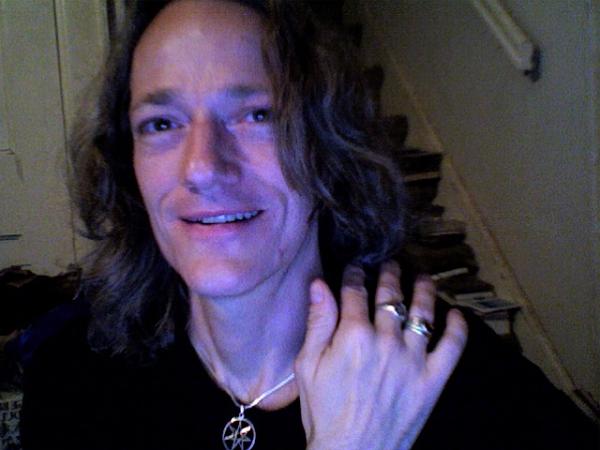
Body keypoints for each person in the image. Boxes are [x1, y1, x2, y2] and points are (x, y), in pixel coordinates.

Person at [20, 1, 597, 449]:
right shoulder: (72, 383)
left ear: (326, 146)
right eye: (161, 123)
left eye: (257, 114)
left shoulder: (450, 378)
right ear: (129, 162)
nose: (201, 167)